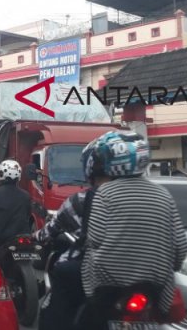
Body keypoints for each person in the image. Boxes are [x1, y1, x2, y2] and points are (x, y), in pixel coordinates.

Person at [80, 130, 187, 322]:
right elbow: (180, 246)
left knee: (90, 317)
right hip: (153, 284)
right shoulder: (163, 194)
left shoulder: (105, 193)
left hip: (109, 283)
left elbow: (94, 239)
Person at [31, 140, 114, 330]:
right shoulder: (149, 199)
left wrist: (35, 238)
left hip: (90, 271)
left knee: (52, 311)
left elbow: (48, 232)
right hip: (138, 275)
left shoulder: (80, 200)